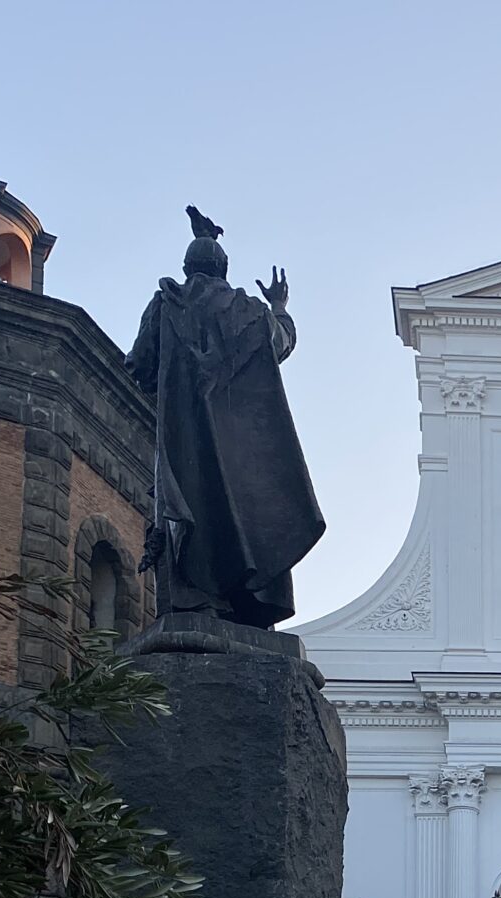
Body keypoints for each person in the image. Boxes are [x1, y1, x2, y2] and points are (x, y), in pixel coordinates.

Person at [126, 206, 325, 628]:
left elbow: (139, 366)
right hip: (243, 452)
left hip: (186, 445)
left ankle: (195, 604)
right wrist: (280, 306)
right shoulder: (252, 311)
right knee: (244, 518)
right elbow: (282, 342)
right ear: (224, 270)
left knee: (191, 515)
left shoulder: (166, 304)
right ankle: (247, 606)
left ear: (186, 267)